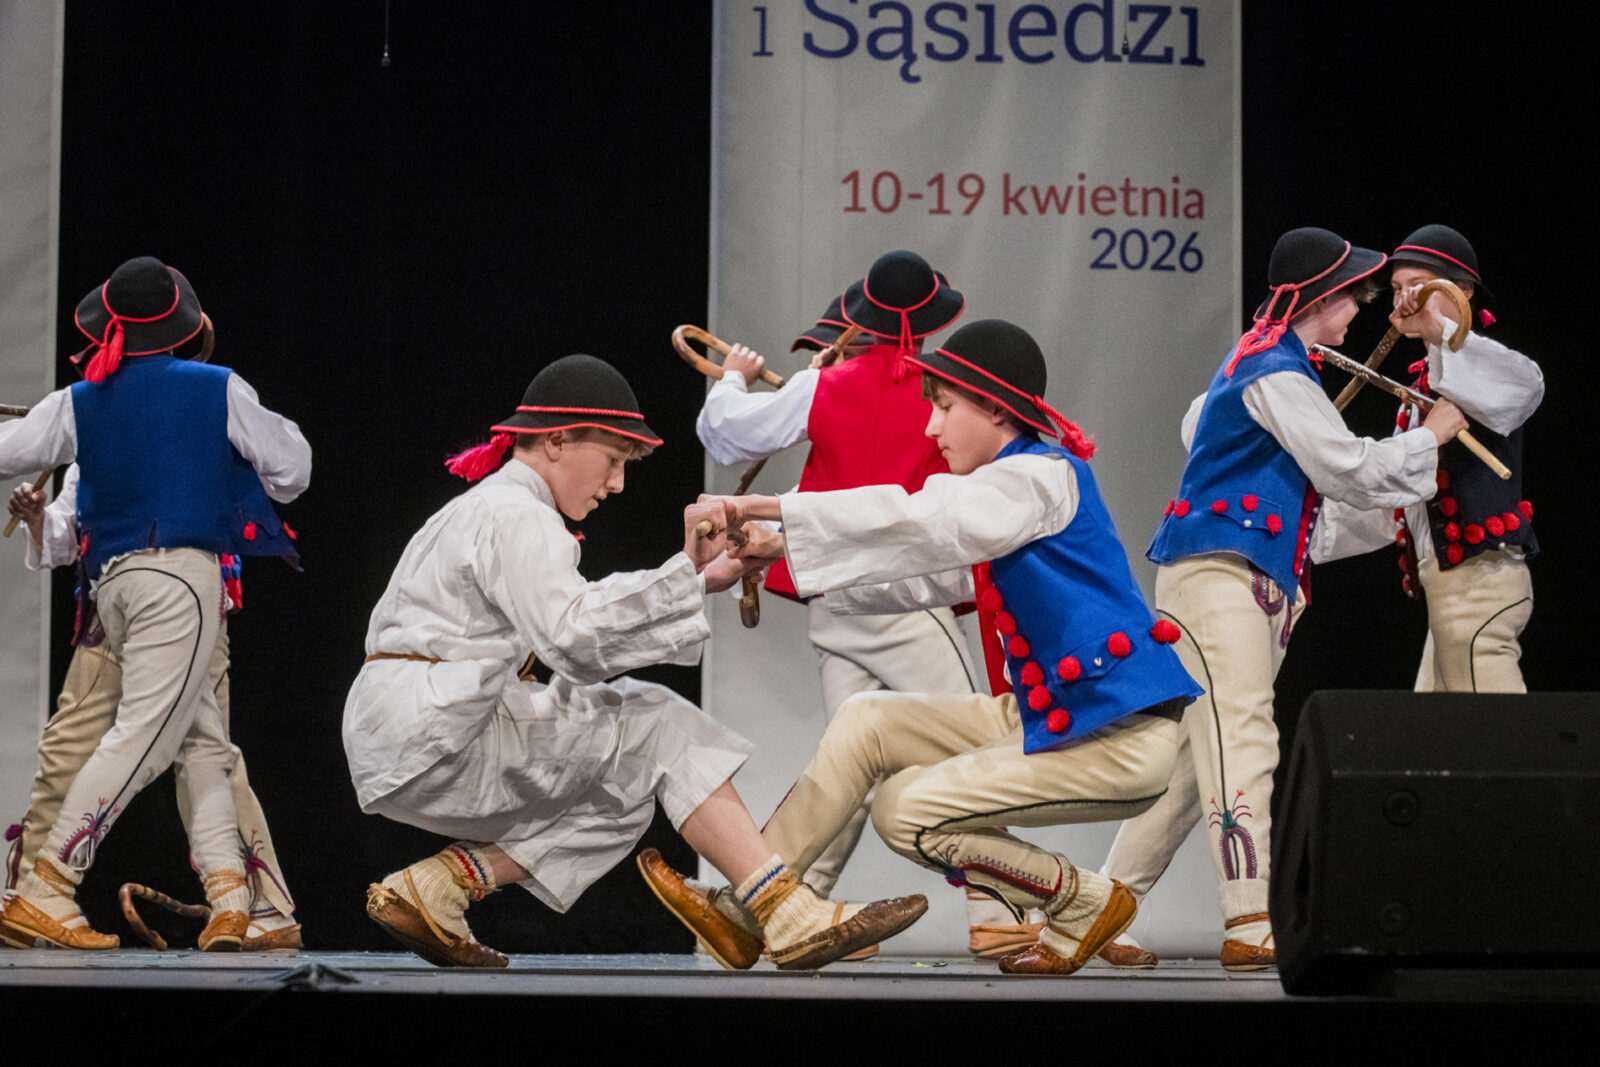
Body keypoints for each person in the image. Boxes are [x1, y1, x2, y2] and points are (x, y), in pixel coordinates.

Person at [655, 317, 1204, 976]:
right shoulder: (1009, 498)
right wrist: (782, 549)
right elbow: (921, 574)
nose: (930, 428)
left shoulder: (1035, 478)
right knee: (865, 721)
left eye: (944, 407)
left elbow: (921, 517)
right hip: (1061, 717)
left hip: (1118, 735)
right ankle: (753, 908)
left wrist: (771, 509)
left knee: (904, 810)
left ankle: (1081, 899)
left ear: (995, 408)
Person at [344, 353, 926, 969]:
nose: (617, 484)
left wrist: (698, 579)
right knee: (658, 722)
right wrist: (688, 575)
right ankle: (784, 911)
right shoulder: (515, 513)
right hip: (439, 727)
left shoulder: (493, 507)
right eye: (614, 459)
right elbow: (573, 638)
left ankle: (438, 887)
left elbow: (575, 622)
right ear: (557, 440)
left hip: (417, 729)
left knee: (624, 788)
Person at [1097, 227, 1467, 970]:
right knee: (1244, 735)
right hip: (1219, 577)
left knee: (1194, 761)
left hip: (1239, 577)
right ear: (1321, 297)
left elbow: (1309, 512)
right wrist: (1429, 437)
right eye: (1354, 295)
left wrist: (1399, 506)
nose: (1360, 308)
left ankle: (1096, 908)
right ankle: (1248, 917)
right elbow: (1345, 468)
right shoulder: (1274, 368)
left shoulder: (1268, 363)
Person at [697, 253, 1030, 957]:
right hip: (908, 596)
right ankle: (996, 910)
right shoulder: (945, 394)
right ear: (932, 319)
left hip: (835, 599)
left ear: (860, 320)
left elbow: (726, 433)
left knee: (844, 769)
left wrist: (733, 377)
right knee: (973, 755)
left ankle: (781, 910)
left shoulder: (823, 384)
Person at [0, 255, 308, 951]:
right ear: (182, 326)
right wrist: (230, 457)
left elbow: (9, 452)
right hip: (179, 580)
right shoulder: (217, 387)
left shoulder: (79, 400)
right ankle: (49, 884)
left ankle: (231, 899)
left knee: (202, 740)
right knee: (145, 735)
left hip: (114, 587)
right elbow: (294, 471)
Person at [4, 465, 301, 950]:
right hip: (117, 599)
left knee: (207, 749)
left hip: (190, 597)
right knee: (72, 747)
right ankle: (30, 896)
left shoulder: (208, 419)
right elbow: (68, 525)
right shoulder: (100, 430)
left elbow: (289, 467)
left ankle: (256, 908)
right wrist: (39, 519)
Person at [1384, 225, 1540, 692]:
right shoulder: (1426, 383)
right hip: (1448, 589)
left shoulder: (1482, 367)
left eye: (1419, 286)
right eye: (1397, 288)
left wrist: (1442, 333)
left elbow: (1528, 384)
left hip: (1479, 584)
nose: (1405, 300)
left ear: (1462, 291)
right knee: (1437, 730)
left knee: (1490, 728)